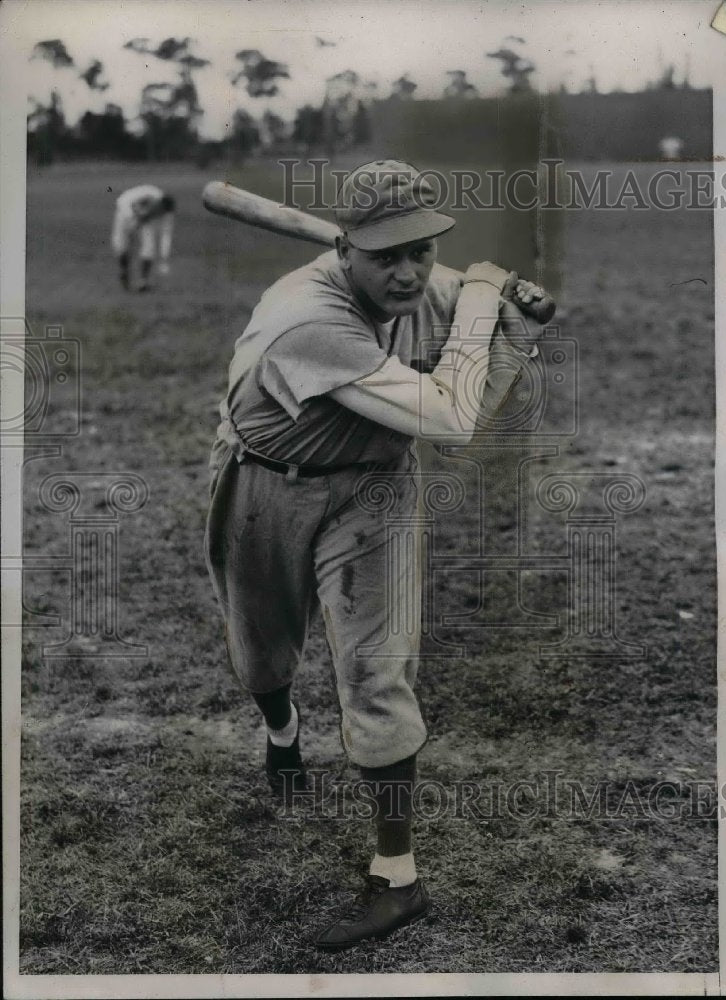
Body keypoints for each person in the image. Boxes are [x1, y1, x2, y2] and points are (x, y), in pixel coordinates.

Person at [204, 160, 550, 950]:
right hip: (267, 483)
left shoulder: (425, 286)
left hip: (375, 489)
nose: (407, 273)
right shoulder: (305, 319)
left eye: (420, 252)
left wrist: (509, 333)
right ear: (343, 249)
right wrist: (480, 305)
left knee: (377, 670)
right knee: (261, 656)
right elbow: (450, 414)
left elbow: (465, 408)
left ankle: (396, 878)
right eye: (385, 255)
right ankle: (281, 725)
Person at [111, 184, 175, 291]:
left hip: (145, 218)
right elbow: (122, 201)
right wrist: (135, 217)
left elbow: (166, 236)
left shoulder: (166, 215)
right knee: (122, 247)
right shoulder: (151, 193)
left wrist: (164, 259)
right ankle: (124, 274)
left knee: (149, 248)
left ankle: (143, 281)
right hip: (124, 214)